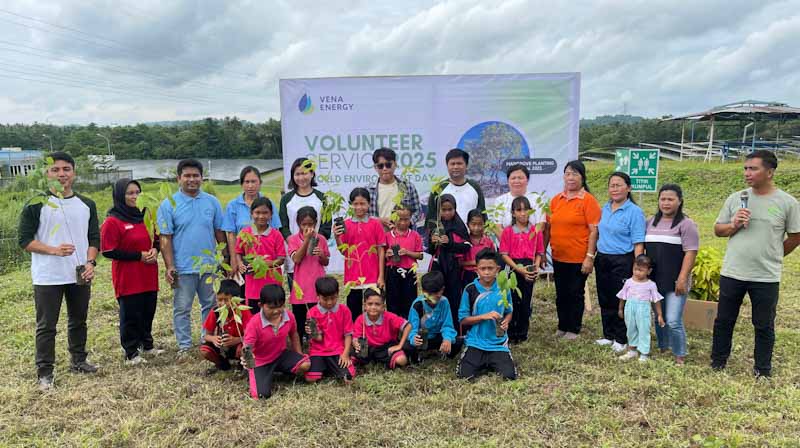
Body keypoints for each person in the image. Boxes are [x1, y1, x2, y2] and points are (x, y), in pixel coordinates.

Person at [711, 150, 800, 378]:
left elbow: (796, 235)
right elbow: (718, 230)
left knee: (763, 325)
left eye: (753, 168)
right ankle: (718, 362)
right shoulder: (736, 198)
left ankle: (762, 369)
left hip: (766, 276)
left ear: (769, 172)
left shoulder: (787, 203)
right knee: (724, 320)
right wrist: (734, 224)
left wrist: (775, 255)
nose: (747, 173)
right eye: (745, 168)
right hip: (733, 271)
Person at [18, 152, 100, 390]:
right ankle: (45, 372)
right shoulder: (36, 203)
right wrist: (53, 250)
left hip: (79, 274)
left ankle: (79, 360)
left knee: (79, 320)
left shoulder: (87, 204)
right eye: (55, 169)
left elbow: (94, 238)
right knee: (47, 325)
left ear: (74, 173)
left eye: (66, 169)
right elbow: (24, 240)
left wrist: (90, 263)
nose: (61, 174)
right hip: (48, 276)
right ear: (47, 173)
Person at [158, 159, 226, 357]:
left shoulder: (211, 202)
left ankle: (208, 340)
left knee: (211, 306)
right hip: (183, 267)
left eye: (196, 175)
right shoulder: (169, 204)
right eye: (187, 176)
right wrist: (170, 266)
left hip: (209, 267)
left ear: (202, 178)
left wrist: (224, 259)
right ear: (179, 178)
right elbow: (165, 238)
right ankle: (185, 347)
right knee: (182, 308)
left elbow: (219, 232)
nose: (192, 179)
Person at [100, 178, 160, 366]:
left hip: (148, 273)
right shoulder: (113, 221)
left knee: (148, 310)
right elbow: (109, 251)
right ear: (120, 196)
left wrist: (155, 250)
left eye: (137, 192)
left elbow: (156, 238)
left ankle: (147, 345)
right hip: (128, 276)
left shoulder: (146, 215)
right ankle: (131, 351)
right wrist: (138, 256)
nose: (135, 197)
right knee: (130, 314)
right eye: (130, 193)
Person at [645, 184, 699, 365]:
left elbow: (691, 253)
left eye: (670, 199)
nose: (666, 203)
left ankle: (680, 354)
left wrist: (683, 278)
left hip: (676, 280)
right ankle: (663, 345)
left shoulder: (687, 224)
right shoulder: (650, 222)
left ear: (679, 201)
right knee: (658, 316)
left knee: (673, 319)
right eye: (663, 199)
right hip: (654, 280)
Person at [548, 160, 601, 341]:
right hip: (558, 256)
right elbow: (549, 227)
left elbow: (594, 230)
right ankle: (562, 325)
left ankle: (573, 328)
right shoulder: (556, 200)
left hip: (578, 257)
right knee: (561, 293)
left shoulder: (588, 201)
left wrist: (589, 256)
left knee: (575, 293)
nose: (570, 178)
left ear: (582, 177)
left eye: (575, 174)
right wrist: (541, 251)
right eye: (568, 173)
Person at [594, 172, 646, 354]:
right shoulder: (605, 208)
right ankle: (608, 335)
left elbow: (638, 243)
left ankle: (621, 337)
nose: (614, 189)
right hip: (602, 258)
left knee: (620, 300)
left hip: (623, 260)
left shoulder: (635, 212)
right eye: (611, 186)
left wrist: (637, 267)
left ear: (628, 188)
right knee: (605, 297)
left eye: (618, 185)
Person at [457, 248, 517, 380]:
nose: (487, 272)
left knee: (509, 376)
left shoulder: (503, 288)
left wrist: (507, 320)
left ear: (498, 269)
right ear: (476, 270)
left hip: (498, 343)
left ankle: (491, 361)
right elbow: (463, 319)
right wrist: (484, 316)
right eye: (483, 268)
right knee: (464, 376)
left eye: (490, 268)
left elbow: (509, 311)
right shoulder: (470, 289)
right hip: (475, 342)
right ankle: (482, 361)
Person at [242, 284, 310, 399]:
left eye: (280, 306)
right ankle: (256, 374)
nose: (276, 311)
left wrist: (298, 354)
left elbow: (294, 334)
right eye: (271, 308)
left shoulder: (289, 316)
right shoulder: (254, 323)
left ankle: (278, 370)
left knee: (305, 364)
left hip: (280, 355)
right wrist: (248, 361)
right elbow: (247, 347)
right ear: (261, 305)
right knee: (260, 395)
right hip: (260, 361)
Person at [279, 157, 331, 289]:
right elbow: (283, 224)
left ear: (312, 174)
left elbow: (326, 225)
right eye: (297, 174)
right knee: (297, 293)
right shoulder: (287, 199)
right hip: (295, 253)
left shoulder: (321, 198)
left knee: (317, 291)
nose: (301, 177)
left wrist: (316, 242)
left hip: (315, 252)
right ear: (292, 176)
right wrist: (292, 240)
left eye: (304, 173)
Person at [333, 187, 385, 318]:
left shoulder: (376, 224)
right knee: (354, 314)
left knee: (374, 313)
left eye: (362, 203)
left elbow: (380, 250)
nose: (359, 207)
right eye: (355, 204)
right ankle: (356, 338)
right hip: (353, 278)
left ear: (369, 204)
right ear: (351, 205)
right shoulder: (346, 224)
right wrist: (337, 237)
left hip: (373, 277)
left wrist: (381, 276)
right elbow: (344, 251)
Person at [499, 196, 545, 343]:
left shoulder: (535, 231)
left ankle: (522, 333)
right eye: (519, 210)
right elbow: (504, 255)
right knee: (512, 300)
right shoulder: (508, 231)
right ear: (513, 213)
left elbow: (539, 252)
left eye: (526, 210)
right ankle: (511, 332)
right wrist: (518, 269)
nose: (523, 213)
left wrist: (535, 266)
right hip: (513, 268)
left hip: (529, 267)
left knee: (526, 300)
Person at [222, 166, 281, 278]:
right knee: (244, 291)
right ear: (241, 184)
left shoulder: (269, 203)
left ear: (260, 183)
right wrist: (234, 259)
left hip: (265, 258)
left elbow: (275, 230)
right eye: (247, 182)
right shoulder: (233, 205)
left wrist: (274, 261)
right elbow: (231, 235)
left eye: (253, 181)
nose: (250, 186)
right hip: (242, 258)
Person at [234, 197, 286, 314]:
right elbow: (238, 252)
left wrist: (265, 264)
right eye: (257, 212)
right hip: (252, 285)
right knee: (253, 315)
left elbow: (281, 259)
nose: (261, 216)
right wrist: (240, 263)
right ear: (251, 214)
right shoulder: (245, 233)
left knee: (273, 314)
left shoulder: (276, 235)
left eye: (265, 213)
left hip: (272, 283)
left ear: (271, 214)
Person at [287, 206, 330, 339]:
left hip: (317, 284)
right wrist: (306, 240)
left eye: (310, 224)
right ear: (298, 224)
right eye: (303, 224)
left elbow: (325, 262)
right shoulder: (293, 239)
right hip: (301, 285)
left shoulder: (321, 239)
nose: (307, 227)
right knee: (300, 319)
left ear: (316, 223)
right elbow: (297, 259)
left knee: (319, 316)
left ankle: (319, 341)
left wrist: (322, 255)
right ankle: (300, 341)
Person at [426, 194, 470, 323]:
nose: (447, 213)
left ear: (455, 209)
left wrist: (449, 243)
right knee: (436, 294)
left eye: (450, 209)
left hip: (454, 267)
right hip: (438, 266)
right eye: (443, 210)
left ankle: (455, 328)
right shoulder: (435, 226)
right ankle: (436, 325)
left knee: (454, 297)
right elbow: (431, 251)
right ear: (438, 210)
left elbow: (466, 247)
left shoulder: (459, 226)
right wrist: (433, 242)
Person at [304, 276, 356, 383]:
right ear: (318, 296)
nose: (329, 302)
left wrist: (345, 354)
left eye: (333, 298)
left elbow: (348, 334)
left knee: (349, 377)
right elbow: (318, 339)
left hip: (338, 351)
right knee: (310, 379)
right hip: (318, 352)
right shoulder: (311, 312)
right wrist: (312, 333)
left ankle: (332, 367)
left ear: (338, 294)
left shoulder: (344, 310)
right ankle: (328, 368)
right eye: (325, 299)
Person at [404, 271, 462, 363]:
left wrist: (447, 339)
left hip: (437, 336)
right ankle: (420, 355)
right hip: (422, 337)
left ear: (442, 290)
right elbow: (412, 328)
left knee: (457, 341)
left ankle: (443, 351)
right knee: (408, 346)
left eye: (438, 293)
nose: (435, 296)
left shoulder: (444, 302)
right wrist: (413, 337)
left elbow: (447, 325)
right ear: (423, 291)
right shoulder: (417, 304)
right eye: (431, 294)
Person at [616, 255, 665, 363]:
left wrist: (660, 314)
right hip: (629, 308)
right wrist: (620, 309)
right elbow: (623, 296)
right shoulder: (628, 282)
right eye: (635, 269)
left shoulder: (651, 285)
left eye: (641, 270)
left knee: (644, 330)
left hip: (643, 310)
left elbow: (656, 300)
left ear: (649, 271)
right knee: (631, 329)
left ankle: (644, 353)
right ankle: (632, 350)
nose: (637, 272)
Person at [200, 280, 253, 373]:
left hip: (239, 343)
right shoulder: (215, 312)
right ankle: (222, 364)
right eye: (220, 300)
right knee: (205, 350)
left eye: (227, 300)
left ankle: (250, 369)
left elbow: (251, 337)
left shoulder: (243, 312)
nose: (223, 304)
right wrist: (214, 339)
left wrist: (236, 340)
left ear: (236, 299)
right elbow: (206, 336)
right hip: (223, 346)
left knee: (247, 349)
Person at [352, 289, 411, 369]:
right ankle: (365, 361)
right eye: (370, 304)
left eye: (377, 304)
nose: (373, 307)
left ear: (383, 306)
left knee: (402, 360)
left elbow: (408, 326)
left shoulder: (389, 317)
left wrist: (400, 345)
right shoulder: (360, 319)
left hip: (386, 347)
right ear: (364, 305)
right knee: (351, 355)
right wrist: (356, 343)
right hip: (367, 347)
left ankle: (380, 360)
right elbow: (355, 337)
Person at [366, 147, 422, 230]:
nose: (384, 169)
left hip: (402, 236)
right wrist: (379, 220)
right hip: (377, 236)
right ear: (375, 167)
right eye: (380, 166)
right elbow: (362, 215)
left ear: (395, 164)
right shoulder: (369, 190)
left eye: (388, 165)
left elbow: (417, 211)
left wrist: (405, 222)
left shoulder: (407, 187)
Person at [427, 148, 486, 225]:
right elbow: (431, 216)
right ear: (447, 166)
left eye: (459, 163)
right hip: (446, 235)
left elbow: (482, 213)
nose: (455, 167)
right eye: (452, 164)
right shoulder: (439, 188)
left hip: (471, 235)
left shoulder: (475, 187)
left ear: (466, 165)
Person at [384, 205, 423, 318]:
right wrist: (388, 254)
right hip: (392, 272)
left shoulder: (415, 235)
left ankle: (409, 327)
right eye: (399, 219)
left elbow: (420, 255)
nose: (402, 222)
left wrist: (407, 252)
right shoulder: (388, 236)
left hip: (410, 272)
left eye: (406, 219)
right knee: (392, 300)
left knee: (409, 301)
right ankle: (394, 327)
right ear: (394, 218)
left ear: (410, 218)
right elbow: (383, 255)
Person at [491, 164, 547, 235]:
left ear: (527, 180)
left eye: (520, 178)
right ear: (508, 181)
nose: (517, 181)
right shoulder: (500, 200)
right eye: (513, 178)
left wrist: (526, 242)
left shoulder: (536, 199)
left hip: (531, 244)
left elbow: (540, 225)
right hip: (507, 244)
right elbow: (498, 227)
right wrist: (512, 243)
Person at [455, 209, 495, 289]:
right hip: (468, 275)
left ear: (484, 224)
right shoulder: (464, 242)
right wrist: (476, 262)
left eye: (480, 224)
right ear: (468, 224)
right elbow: (459, 263)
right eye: (473, 224)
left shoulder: (488, 242)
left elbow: (493, 260)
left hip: (485, 274)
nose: (476, 228)